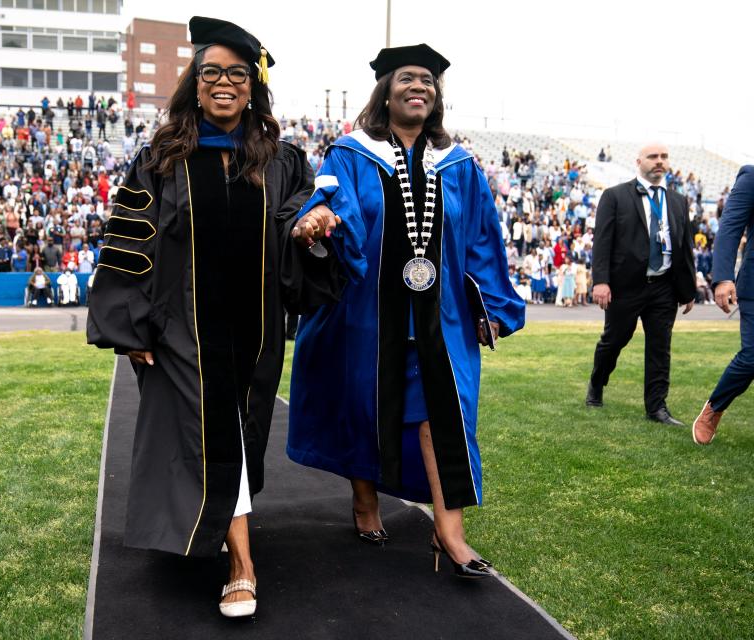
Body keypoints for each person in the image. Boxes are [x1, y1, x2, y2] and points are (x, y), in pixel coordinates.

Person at [86, 16, 337, 618]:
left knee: (238, 441)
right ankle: (241, 567)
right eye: (211, 73)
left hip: (253, 330)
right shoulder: (162, 157)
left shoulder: (281, 160)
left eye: (236, 73)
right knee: (208, 436)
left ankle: (219, 534)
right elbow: (131, 239)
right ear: (194, 85)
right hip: (181, 331)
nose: (223, 82)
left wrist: (309, 225)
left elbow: (297, 215)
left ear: (253, 86)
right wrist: (132, 324)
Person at [287, 44, 525, 580]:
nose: (418, 87)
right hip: (368, 314)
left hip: (440, 319)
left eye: (427, 81)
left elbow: (484, 240)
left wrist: (493, 306)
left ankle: (451, 533)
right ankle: (365, 502)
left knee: (444, 414)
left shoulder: (460, 164)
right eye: (407, 79)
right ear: (386, 90)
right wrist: (319, 216)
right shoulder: (351, 153)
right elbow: (326, 202)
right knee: (367, 406)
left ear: (436, 96)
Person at [586, 143, 696, 424]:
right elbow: (602, 242)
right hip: (625, 286)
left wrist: (688, 289)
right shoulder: (615, 196)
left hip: (664, 286)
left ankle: (656, 408)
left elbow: (684, 247)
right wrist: (601, 281)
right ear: (639, 161)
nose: (659, 161)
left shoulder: (678, 201)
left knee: (660, 346)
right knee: (614, 340)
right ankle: (597, 383)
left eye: (664, 157)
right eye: (653, 157)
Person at [692, 165, 754, 444]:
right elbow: (730, 227)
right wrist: (723, 277)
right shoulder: (751, 176)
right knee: (752, 356)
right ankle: (714, 408)